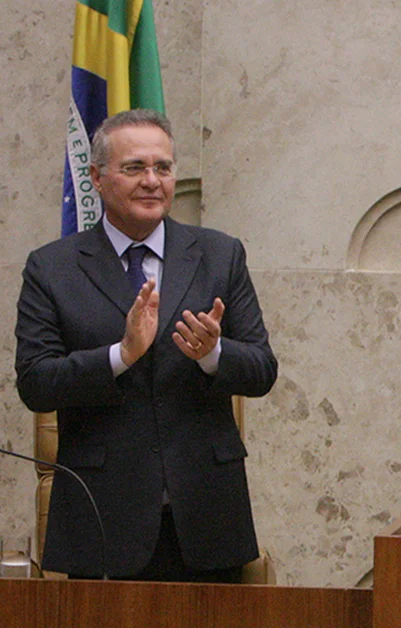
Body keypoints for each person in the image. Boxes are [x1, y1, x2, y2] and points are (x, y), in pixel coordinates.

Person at [15, 109, 278, 581]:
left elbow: (262, 369)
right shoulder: (51, 268)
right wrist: (120, 356)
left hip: (206, 516)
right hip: (102, 519)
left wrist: (213, 354)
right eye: (134, 168)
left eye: (164, 167)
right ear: (96, 177)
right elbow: (36, 383)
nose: (152, 181)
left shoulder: (220, 254)